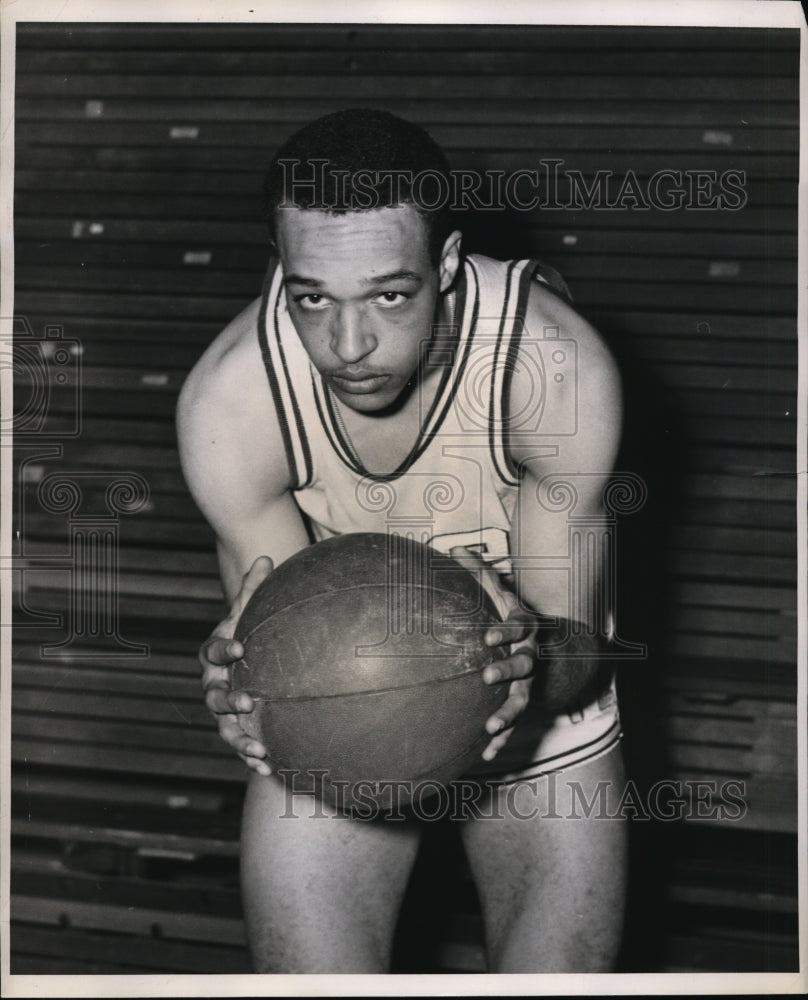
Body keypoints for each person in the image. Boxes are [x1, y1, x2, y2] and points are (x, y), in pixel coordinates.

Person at [177, 108, 627, 974]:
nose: (350, 348)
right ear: (281, 271)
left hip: (539, 691)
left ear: (447, 264)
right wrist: (243, 681)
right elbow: (266, 640)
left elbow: (581, 648)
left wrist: (526, 656)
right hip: (348, 703)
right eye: (313, 298)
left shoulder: (553, 366)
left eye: (391, 294)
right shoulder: (231, 406)